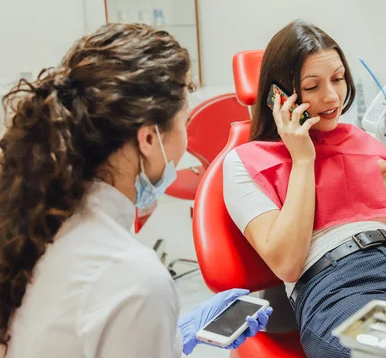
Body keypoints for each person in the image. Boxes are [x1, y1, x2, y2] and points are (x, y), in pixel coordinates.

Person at [0, 23, 272, 358]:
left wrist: (169, 337)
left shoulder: (37, 223)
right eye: (184, 124)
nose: (184, 144)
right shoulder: (134, 279)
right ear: (147, 139)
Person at [223, 19, 386, 357]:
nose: (332, 96)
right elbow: (288, 264)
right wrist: (303, 160)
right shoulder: (244, 162)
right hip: (336, 287)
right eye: (312, 86)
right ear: (280, 95)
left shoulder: (365, 143)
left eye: (337, 79)